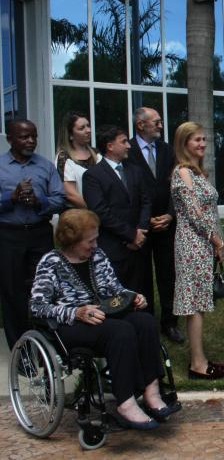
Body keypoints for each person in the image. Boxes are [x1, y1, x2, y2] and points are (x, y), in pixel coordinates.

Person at [29, 209, 179, 429]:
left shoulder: (97, 256)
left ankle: (152, 391)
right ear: (72, 241)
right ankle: (126, 402)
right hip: (70, 326)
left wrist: (133, 297)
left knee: (145, 322)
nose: (96, 244)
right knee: (121, 331)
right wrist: (76, 312)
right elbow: (37, 307)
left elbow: (115, 289)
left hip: (104, 317)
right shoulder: (50, 262)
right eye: (90, 241)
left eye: (96, 238)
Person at [171, 121, 224, 379]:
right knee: (194, 304)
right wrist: (215, 239)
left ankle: (200, 358)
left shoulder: (197, 173)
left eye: (204, 139)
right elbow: (195, 213)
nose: (203, 144)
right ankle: (197, 364)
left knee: (200, 303)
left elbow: (207, 212)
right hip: (192, 243)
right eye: (197, 140)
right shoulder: (182, 172)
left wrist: (216, 242)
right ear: (184, 144)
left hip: (203, 243)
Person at [0, 120, 65, 348]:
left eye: (34, 136)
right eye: (24, 137)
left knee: (44, 287)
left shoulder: (45, 166)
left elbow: (60, 199)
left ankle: (46, 343)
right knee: (13, 291)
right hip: (9, 236)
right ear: (10, 139)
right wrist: (12, 198)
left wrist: (39, 202)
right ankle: (21, 349)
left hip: (40, 234)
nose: (31, 141)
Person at [125, 107, 183, 344]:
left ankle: (169, 322)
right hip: (140, 225)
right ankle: (146, 322)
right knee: (142, 276)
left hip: (166, 225)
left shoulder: (167, 150)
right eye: (156, 122)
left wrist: (170, 215)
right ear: (141, 125)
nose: (161, 125)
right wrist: (143, 220)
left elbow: (176, 186)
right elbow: (126, 188)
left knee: (168, 274)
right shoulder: (126, 150)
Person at [83, 125, 151, 294]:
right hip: (114, 248)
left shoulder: (135, 171)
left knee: (142, 293)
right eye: (124, 141)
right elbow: (100, 212)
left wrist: (141, 231)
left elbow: (146, 201)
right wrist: (130, 235)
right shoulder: (93, 176)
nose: (128, 145)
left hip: (140, 247)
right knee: (117, 297)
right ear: (110, 146)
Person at [54, 111, 100, 209]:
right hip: (78, 215)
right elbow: (71, 194)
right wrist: (95, 210)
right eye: (82, 128)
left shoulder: (96, 154)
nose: (88, 130)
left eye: (88, 126)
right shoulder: (64, 157)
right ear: (70, 134)